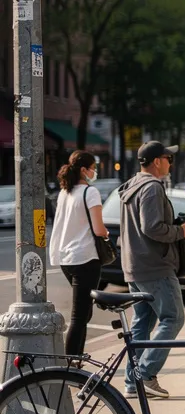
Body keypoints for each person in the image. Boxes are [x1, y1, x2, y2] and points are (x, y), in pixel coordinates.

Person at [118, 142, 185, 399]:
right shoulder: (151, 188)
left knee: (142, 325)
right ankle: (146, 375)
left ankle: (132, 382)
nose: (170, 162)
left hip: (134, 266)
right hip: (154, 267)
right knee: (174, 318)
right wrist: (181, 231)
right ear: (156, 161)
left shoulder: (131, 185)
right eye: (167, 158)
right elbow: (152, 227)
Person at [48, 151, 110, 357]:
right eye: (93, 167)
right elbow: (99, 229)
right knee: (80, 316)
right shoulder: (89, 192)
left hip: (67, 257)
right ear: (84, 170)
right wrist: (107, 233)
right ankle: (72, 361)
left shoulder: (65, 192)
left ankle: (76, 358)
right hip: (85, 258)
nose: (95, 172)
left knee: (83, 312)